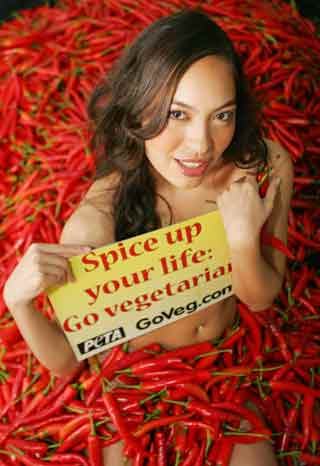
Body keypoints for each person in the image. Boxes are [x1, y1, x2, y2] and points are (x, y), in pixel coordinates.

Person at [3, 8, 294, 466]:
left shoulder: (263, 168)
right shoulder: (100, 216)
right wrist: (18, 302)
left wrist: (241, 241)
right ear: (139, 107)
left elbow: (260, 298)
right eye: (177, 114)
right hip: (135, 385)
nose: (201, 144)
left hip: (224, 370)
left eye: (222, 115)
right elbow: (68, 363)